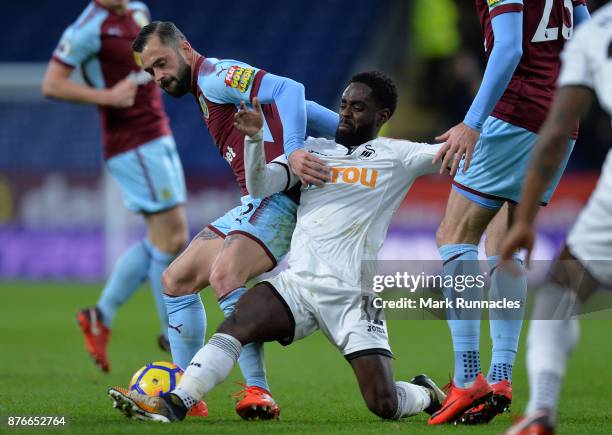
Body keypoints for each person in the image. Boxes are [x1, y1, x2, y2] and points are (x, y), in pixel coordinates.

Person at [106, 70, 449, 423]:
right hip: (297, 286)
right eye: (344, 104)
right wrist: (254, 140)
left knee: (384, 402)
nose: (346, 113)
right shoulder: (313, 151)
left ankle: (425, 391)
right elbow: (260, 186)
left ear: (383, 116)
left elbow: (455, 151)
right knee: (238, 323)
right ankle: (176, 402)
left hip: (354, 296)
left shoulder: (397, 156)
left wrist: (472, 128)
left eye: (358, 107)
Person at [130, 21, 339, 419]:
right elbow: (303, 109)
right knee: (175, 281)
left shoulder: (216, 75)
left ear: (185, 49)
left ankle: (257, 390)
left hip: (280, 197)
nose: (158, 76)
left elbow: (289, 89)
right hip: (255, 202)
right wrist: (353, 136)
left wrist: (294, 150)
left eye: (161, 63)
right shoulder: (204, 90)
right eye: (150, 71)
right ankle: (187, 393)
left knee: (225, 276)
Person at [428, 0, 590, 424]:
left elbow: (510, 47)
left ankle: (467, 379)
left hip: (515, 113)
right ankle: (500, 376)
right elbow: (588, 37)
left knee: (454, 236)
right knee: (504, 246)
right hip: (560, 119)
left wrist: (473, 121)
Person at [42, 0, 188, 375]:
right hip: (132, 142)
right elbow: (51, 84)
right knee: (172, 238)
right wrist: (107, 97)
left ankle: (100, 315)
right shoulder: (87, 28)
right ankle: (172, 334)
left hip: (156, 131)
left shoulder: (137, 10)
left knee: (161, 239)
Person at [500, 4, 612, 434]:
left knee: (563, 286)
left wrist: (525, 220)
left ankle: (541, 410)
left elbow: (556, 130)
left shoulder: (592, 33)